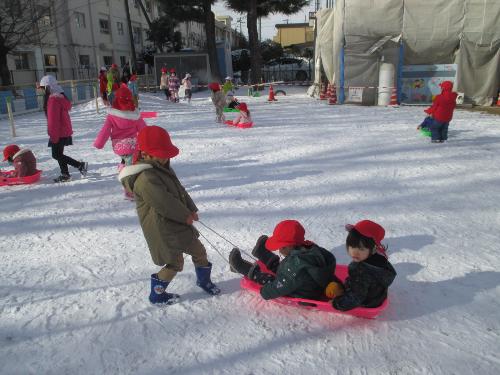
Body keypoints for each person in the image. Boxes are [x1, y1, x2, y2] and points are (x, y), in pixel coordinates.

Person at [119, 126, 220, 304]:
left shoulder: (162, 167)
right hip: (162, 229)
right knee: (175, 263)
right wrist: (185, 215)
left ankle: (204, 280)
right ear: (146, 154)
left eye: (167, 153)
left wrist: (191, 208)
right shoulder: (145, 178)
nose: (166, 158)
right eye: (162, 154)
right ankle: (157, 294)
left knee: (199, 251)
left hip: (178, 223)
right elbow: (164, 202)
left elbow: (179, 191)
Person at [229, 220, 337, 301]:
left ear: (290, 245)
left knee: (272, 279)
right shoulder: (310, 248)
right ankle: (261, 253)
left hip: (302, 292)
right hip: (311, 282)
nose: (279, 249)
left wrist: (265, 292)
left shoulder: (294, 270)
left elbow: (280, 286)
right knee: (286, 267)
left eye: (282, 247)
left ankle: (243, 268)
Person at [330, 220, 396, 311]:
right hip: (378, 296)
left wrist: (336, 304)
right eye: (352, 246)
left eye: (361, 248)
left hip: (367, 302)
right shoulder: (380, 260)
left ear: (373, 249)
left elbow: (355, 298)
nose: (354, 252)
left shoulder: (361, 272)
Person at [39, 75, 88, 183]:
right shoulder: (60, 97)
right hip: (63, 130)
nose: (42, 91)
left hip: (58, 132)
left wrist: (53, 136)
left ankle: (80, 165)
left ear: (48, 87)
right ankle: (65, 174)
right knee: (59, 154)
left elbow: (53, 120)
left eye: (43, 88)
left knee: (56, 154)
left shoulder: (53, 100)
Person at [93, 83, 146, 173]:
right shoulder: (136, 115)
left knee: (127, 159)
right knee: (131, 167)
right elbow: (144, 130)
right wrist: (149, 142)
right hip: (133, 146)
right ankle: (126, 176)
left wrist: (99, 143)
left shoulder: (112, 116)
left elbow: (105, 131)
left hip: (118, 146)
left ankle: (123, 167)